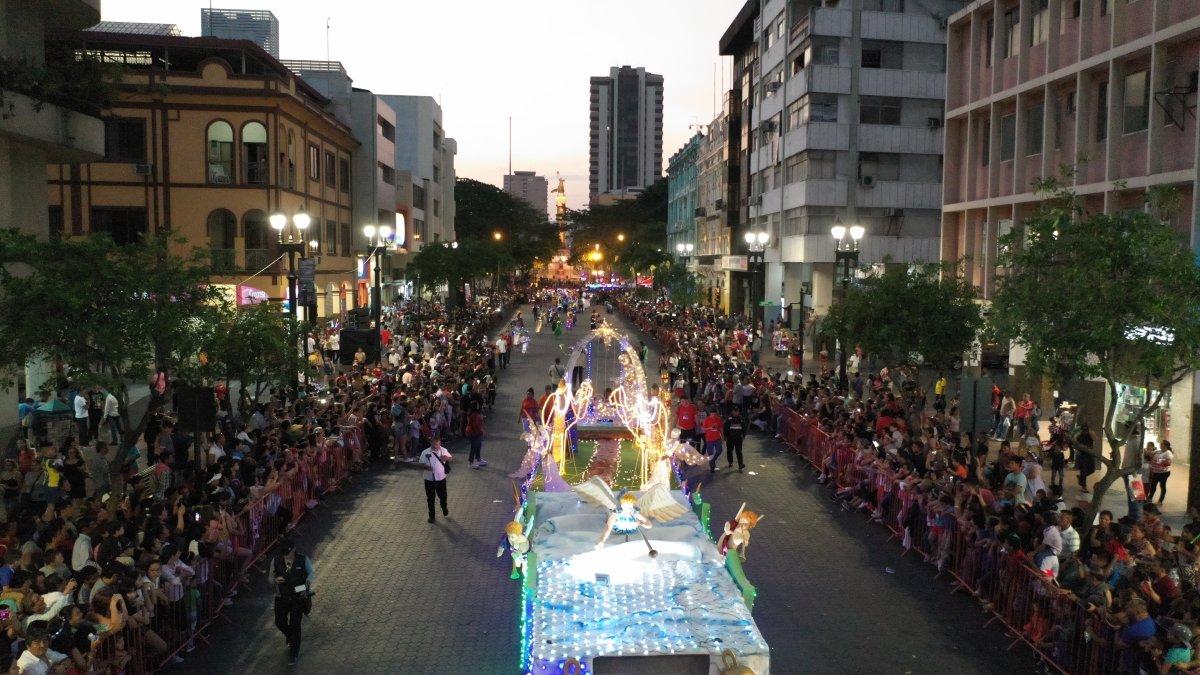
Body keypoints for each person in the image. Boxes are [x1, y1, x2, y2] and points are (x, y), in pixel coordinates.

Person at [269, 540, 313, 665]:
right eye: (283, 553)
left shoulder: (303, 559)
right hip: (281, 597)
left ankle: (294, 653)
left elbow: (311, 574)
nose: (285, 555)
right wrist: (275, 580)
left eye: (287, 552)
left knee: (295, 624)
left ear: (293, 549)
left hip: (297, 596)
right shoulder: (276, 561)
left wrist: (305, 586)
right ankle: (290, 635)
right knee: (279, 622)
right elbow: (270, 579)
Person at [419, 436, 452, 523]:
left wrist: (446, 458)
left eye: (438, 444)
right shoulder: (425, 452)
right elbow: (421, 464)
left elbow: (450, 458)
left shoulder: (443, 450)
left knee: (443, 496)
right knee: (430, 498)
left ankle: (444, 507)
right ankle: (431, 516)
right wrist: (426, 467)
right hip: (429, 479)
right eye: (434, 444)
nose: (436, 446)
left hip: (441, 478)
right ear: (431, 443)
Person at [1147, 440, 1173, 504]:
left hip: (1164, 473)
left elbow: (1168, 463)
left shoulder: (1168, 453)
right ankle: (1149, 498)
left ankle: (1160, 501)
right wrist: (1150, 450)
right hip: (1156, 472)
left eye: (1161, 444)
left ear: (1165, 446)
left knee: (1162, 486)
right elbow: (1149, 454)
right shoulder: (1159, 451)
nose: (1160, 445)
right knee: (1153, 486)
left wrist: (1158, 461)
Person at [702, 407, 724, 473]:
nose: (713, 416)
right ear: (710, 414)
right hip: (709, 439)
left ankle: (713, 460)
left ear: (716, 414)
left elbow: (721, 429)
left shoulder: (719, 419)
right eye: (712, 414)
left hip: (717, 438)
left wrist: (722, 437)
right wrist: (710, 428)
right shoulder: (707, 420)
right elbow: (703, 429)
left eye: (714, 414)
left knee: (719, 451)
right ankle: (712, 466)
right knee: (710, 453)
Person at [465, 403, 487, 469]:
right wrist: (481, 431)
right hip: (473, 433)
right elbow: (476, 426)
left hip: (474, 432)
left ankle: (478, 459)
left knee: (478, 445)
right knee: (474, 447)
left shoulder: (474, 414)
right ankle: (471, 463)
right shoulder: (474, 415)